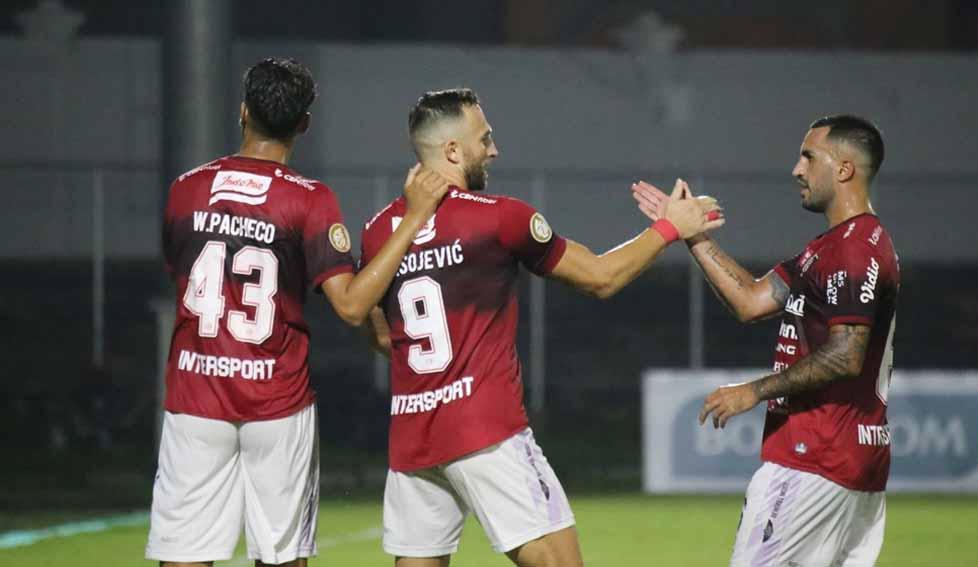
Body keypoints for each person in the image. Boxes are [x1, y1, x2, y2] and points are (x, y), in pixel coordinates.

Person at [360, 88, 724, 567]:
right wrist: (669, 228)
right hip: (485, 430)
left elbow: (381, 333)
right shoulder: (500, 218)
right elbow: (600, 277)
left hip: (413, 436)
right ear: (452, 151)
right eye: (484, 138)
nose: (494, 149)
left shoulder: (378, 231)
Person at [146, 57, 448, 567]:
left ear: (242, 112)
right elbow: (351, 306)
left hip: (196, 398)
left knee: (184, 556)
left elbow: (178, 270)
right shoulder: (308, 200)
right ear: (303, 124)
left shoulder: (186, 188)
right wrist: (414, 216)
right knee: (282, 558)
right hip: (276, 404)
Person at [633, 114, 898, 566]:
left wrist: (752, 392)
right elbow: (751, 300)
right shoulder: (831, 247)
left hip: (815, 458)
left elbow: (847, 354)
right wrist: (690, 234)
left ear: (845, 169)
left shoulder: (854, 249)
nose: (797, 169)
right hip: (852, 463)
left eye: (808, 157)